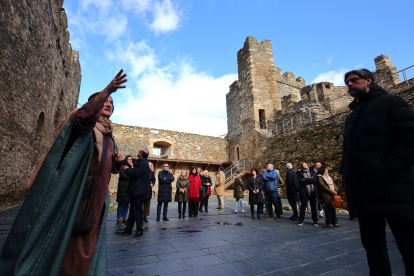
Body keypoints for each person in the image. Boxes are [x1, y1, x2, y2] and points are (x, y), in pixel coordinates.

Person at [0, 70, 127, 275]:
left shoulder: (109, 135)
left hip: (95, 200)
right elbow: (84, 119)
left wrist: (117, 161)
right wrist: (107, 90)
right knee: (62, 239)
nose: (109, 103)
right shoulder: (83, 123)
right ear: (93, 103)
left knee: (86, 244)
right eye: (104, 100)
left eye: (112, 102)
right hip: (74, 194)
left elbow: (107, 166)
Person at [340, 69, 414, 275]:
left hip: (393, 189)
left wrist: (389, 169)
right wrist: (347, 174)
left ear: (369, 81)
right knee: (373, 249)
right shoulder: (352, 116)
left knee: (408, 244)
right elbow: (349, 151)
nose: (350, 85)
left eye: (354, 81)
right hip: (365, 194)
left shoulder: (392, 102)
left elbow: (410, 137)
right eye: (347, 83)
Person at [117, 148, 150, 238]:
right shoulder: (140, 162)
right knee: (132, 211)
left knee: (138, 211)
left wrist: (127, 169)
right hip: (135, 190)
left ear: (141, 154)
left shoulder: (143, 163)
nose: (138, 151)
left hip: (138, 191)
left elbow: (134, 173)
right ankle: (128, 229)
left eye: (139, 151)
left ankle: (140, 230)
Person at [297, 162, 321, 227]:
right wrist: (309, 179)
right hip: (304, 192)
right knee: (303, 206)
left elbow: (314, 180)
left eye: (306, 164)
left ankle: (315, 220)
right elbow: (301, 181)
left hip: (312, 191)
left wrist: (306, 179)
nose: (306, 165)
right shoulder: (300, 173)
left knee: (313, 206)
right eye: (304, 164)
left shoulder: (312, 172)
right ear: (302, 166)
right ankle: (301, 220)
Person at [116, 155, 133, 226]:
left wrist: (131, 168)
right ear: (126, 160)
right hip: (122, 188)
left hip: (129, 189)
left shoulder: (131, 167)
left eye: (131, 159)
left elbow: (134, 175)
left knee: (126, 204)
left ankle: (124, 217)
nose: (130, 160)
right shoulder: (122, 167)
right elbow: (124, 176)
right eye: (129, 159)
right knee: (121, 204)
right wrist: (131, 175)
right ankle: (119, 219)